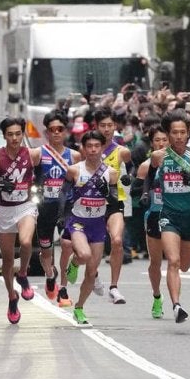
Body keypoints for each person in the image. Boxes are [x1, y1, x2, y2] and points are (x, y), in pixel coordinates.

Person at [148, 109, 190, 323]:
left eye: (182, 132)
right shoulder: (158, 156)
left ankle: (176, 302)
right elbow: (149, 177)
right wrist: (146, 193)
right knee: (173, 261)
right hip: (169, 215)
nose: (178, 136)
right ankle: (176, 306)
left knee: (184, 265)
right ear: (168, 134)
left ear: (188, 133)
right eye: (174, 132)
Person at [0, 117, 41, 324]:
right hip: (4, 210)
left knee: (25, 242)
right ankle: (12, 297)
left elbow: (43, 174)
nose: (15, 138)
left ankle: (22, 274)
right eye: (10, 134)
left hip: (25, 206)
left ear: (23, 134)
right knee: (7, 260)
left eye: (18, 134)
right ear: (4, 136)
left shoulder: (32, 154)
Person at [60, 130, 119, 325]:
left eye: (97, 146)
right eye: (89, 146)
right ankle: (74, 262)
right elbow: (63, 194)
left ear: (102, 148)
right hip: (78, 221)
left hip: (97, 224)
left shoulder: (111, 173)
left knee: (92, 272)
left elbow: (114, 201)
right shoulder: (74, 170)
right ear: (83, 149)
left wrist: (106, 193)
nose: (93, 150)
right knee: (84, 255)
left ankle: (79, 308)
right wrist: (62, 217)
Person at [35, 110, 79, 305]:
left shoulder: (75, 156)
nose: (56, 133)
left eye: (60, 129)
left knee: (67, 244)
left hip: (66, 208)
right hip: (45, 208)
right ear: (46, 132)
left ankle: (63, 289)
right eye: (52, 129)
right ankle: (50, 274)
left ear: (65, 131)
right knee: (46, 251)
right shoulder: (38, 154)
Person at [94, 107, 136, 304]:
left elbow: (132, 167)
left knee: (117, 241)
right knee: (91, 246)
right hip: (91, 203)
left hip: (114, 201)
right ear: (96, 126)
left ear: (115, 126)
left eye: (110, 125)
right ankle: (93, 274)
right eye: (102, 125)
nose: (106, 129)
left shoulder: (122, 151)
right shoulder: (88, 148)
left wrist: (129, 177)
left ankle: (114, 287)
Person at [135, 126, 169, 319]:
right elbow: (136, 189)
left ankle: (176, 302)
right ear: (151, 143)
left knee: (175, 261)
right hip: (154, 215)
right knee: (155, 261)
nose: (161, 143)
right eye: (157, 140)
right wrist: (143, 194)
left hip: (175, 215)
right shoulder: (146, 166)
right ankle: (157, 297)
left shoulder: (180, 162)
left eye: (164, 139)